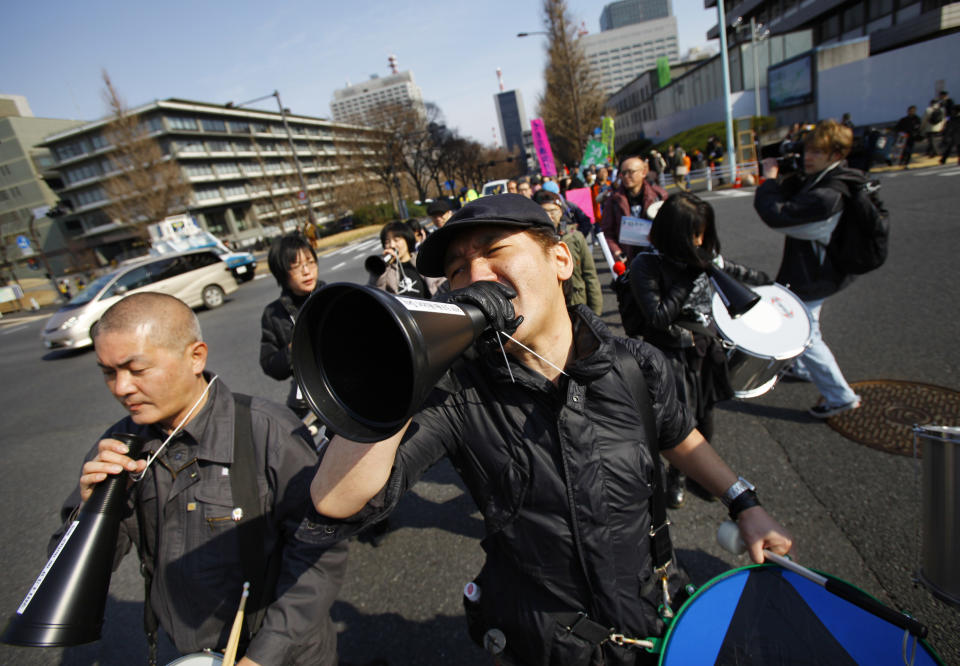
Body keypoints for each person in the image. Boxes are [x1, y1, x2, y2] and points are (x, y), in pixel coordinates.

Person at [299, 194, 793, 666]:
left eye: (495, 251)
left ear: (560, 259)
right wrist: (399, 373)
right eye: (456, 270)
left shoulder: (637, 365)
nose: (474, 277)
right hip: (544, 643)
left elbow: (679, 438)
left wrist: (744, 502)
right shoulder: (456, 397)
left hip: (655, 613)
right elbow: (336, 499)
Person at [53, 292, 346, 665]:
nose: (121, 388)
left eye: (136, 370)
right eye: (109, 372)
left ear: (196, 356)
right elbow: (68, 579)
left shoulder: (269, 432)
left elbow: (319, 552)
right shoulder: (120, 447)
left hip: (286, 653)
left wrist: (264, 655)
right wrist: (91, 513)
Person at [628, 192, 770, 507]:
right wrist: (688, 277)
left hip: (706, 350)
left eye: (702, 231)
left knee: (706, 418)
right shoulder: (647, 264)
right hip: (672, 356)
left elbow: (740, 276)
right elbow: (657, 317)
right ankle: (676, 478)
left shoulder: (708, 258)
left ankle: (699, 477)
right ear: (673, 234)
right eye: (693, 233)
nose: (700, 239)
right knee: (682, 422)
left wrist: (772, 290)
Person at [755, 119, 862, 418]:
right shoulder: (826, 178)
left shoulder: (829, 193)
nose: (808, 157)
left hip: (816, 273)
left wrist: (769, 180)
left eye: (817, 152)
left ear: (835, 155)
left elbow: (776, 214)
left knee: (806, 334)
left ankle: (841, 397)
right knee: (802, 326)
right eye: (808, 150)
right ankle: (801, 367)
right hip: (815, 269)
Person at [261, 234, 323, 419]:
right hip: (306, 397)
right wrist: (294, 348)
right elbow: (271, 365)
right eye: (296, 266)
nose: (307, 271)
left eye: (311, 262)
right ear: (281, 273)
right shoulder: (274, 313)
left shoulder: (334, 296)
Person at [533, 188, 603, 315]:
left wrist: (596, 311)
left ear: (561, 212)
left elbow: (590, 274)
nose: (549, 216)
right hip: (548, 309)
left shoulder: (575, 237)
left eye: (553, 211)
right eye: (544, 212)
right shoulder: (532, 241)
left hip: (577, 304)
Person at [599, 154, 668, 265]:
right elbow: (607, 232)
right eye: (623, 173)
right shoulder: (613, 200)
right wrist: (617, 252)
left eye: (631, 172)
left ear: (643, 172)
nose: (626, 176)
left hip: (658, 259)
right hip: (629, 261)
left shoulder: (659, 196)